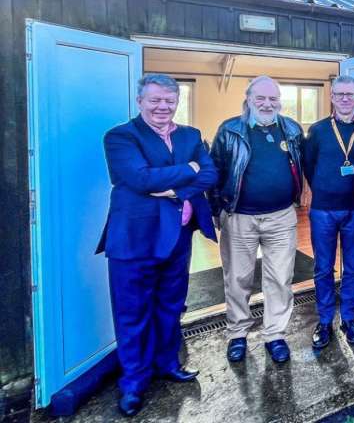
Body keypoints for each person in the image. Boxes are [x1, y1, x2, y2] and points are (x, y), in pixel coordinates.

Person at [98, 73, 217, 417]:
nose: (162, 107)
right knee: (132, 312)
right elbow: (137, 178)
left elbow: (210, 174)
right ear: (140, 101)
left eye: (169, 100)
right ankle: (133, 382)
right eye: (155, 100)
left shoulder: (191, 135)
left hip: (178, 239)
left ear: (176, 101)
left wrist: (175, 189)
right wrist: (189, 169)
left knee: (171, 305)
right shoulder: (121, 136)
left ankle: (168, 364)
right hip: (134, 240)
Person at [210, 75, 304, 364]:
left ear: (280, 101)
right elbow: (214, 174)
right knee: (238, 278)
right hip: (239, 217)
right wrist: (217, 211)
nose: (267, 104)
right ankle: (238, 332)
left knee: (280, 278)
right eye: (260, 98)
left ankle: (274, 334)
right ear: (248, 100)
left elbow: (302, 166)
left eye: (273, 98)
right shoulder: (229, 130)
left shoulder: (291, 129)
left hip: (281, 217)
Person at [301, 75, 354, 350]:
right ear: (332, 97)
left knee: (353, 267)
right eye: (339, 94)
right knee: (322, 268)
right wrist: (323, 189)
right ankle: (324, 321)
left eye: (350, 94)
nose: (345, 98)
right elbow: (309, 165)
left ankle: (348, 319)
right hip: (323, 211)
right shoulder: (318, 130)